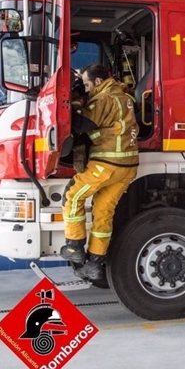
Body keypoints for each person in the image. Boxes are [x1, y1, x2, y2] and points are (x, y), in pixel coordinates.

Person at [60, 64, 140, 282]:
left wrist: (75, 99)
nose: (86, 89)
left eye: (87, 84)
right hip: (127, 167)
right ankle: (95, 263)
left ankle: (75, 247)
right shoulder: (124, 96)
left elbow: (81, 124)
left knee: (73, 196)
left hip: (107, 164)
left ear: (97, 81)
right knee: (103, 212)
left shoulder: (104, 98)